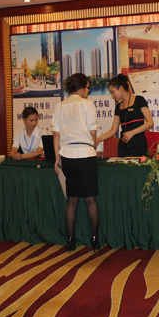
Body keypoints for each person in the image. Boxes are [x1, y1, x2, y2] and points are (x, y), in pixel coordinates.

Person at [51, 73, 100, 253]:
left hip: (67, 156)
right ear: (82, 87)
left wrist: (57, 157)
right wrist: (92, 144)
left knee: (72, 200)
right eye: (88, 87)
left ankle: (70, 240)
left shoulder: (60, 106)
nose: (88, 91)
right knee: (90, 200)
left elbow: (56, 135)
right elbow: (93, 133)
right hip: (86, 154)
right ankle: (94, 239)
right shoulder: (87, 104)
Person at [95, 74, 154, 157]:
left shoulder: (139, 100)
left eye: (113, 92)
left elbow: (150, 123)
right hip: (123, 147)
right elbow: (113, 130)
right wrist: (98, 139)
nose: (112, 95)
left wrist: (132, 133)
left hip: (139, 144)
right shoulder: (118, 106)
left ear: (120, 88)